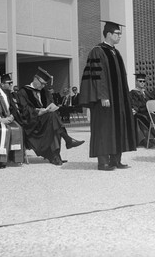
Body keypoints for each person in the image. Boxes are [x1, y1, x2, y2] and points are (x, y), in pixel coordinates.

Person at [80, 20, 136, 171]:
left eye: (120, 34)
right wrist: (103, 96)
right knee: (104, 129)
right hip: (104, 100)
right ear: (109, 34)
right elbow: (98, 76)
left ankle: (116, 160)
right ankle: (103, 162)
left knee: (117, 127)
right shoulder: (97, 51)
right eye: (117, 34)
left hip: (118, 100)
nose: (120, 36)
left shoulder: (115, 52)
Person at [16, 67, 84, 166]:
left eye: (45, 84)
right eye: (42, 83)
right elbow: (24, 110)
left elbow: (51, 104)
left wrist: (50, 108)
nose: (43, 86)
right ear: (35, 79)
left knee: (52, 118)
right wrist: (38, 112)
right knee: (53, 120)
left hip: (47, 120)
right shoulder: (23, 92)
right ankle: (66, 141)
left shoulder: (45, 92)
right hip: (32, 123)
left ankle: (56, 155)